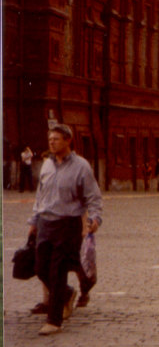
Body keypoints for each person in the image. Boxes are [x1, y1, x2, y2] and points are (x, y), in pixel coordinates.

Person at [27, 123, 103, 335]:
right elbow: (40, 195)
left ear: (68, 141)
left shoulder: (81, 167)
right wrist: (33, 221)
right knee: (41, 267)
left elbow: (93, 197)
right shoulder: (47, 165)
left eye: (56, 139)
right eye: (50, 139)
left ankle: (54, 321)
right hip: (45, 223)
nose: (51, 142)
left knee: (57, 269)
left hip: (67, 224)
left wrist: (95, 219)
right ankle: (67, 293)